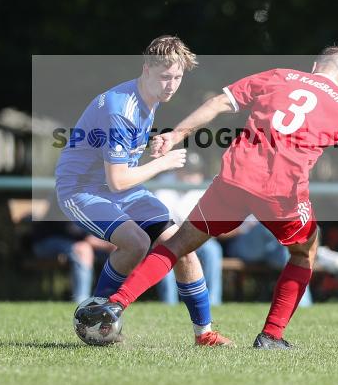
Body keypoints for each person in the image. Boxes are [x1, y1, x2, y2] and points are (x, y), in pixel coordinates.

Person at [77, 46, 338, 348]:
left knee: (178, 244)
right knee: (306, 250)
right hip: (281, 192)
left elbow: (218, 102)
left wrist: (176, 135)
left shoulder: (280, 75)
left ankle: (116, 304)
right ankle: (271, 335)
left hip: (234, 179)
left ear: (315, 67)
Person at [55, 36, 232, 346]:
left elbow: (118, 158)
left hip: (118, 187)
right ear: (146, 69)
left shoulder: (148, 97)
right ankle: (97, 317)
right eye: (165, 76)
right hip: (81, 189)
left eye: (177, 77)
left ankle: (204, 334)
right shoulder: (120, 108)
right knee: (136, 243)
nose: (171, 85)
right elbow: (117, 180)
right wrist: (163, 164)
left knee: (181, 245)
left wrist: (155, 145)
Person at [154, 152, 224, 305]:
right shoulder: (165, 183)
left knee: (213, 250)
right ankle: (169, 304)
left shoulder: (204, 187)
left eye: (195, 172)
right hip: (169, 237)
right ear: (179, 171)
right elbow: (162, 221)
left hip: (195, 238)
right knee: (164, 252)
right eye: (188, 171)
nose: (192, 176)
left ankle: (213, 302)